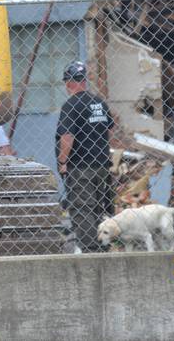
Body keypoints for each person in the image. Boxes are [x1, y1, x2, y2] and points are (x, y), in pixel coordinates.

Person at [55, 61, 114, 253]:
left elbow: (67, 136)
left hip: (80, 166)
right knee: (98, 206)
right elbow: (109, 129)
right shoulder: (99, 102)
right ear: (84, 81)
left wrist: (63, 161)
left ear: (69, 82)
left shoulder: (71, 105)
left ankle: (90, 249)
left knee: (82, 208)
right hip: (101, 163)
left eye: (66, 82)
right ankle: (103, 244)